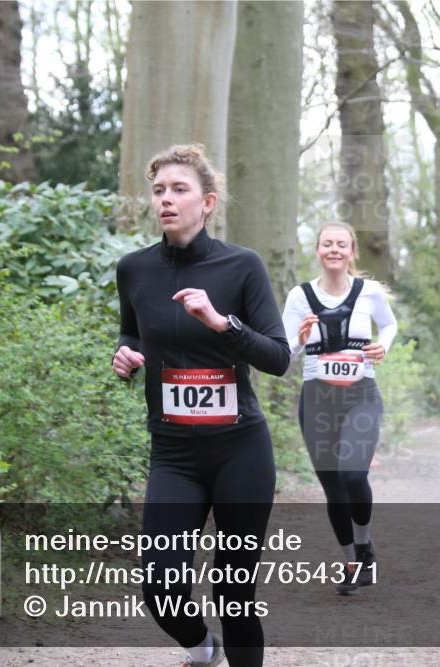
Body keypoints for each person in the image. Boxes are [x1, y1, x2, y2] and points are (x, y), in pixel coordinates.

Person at [112, 144, 289, 667]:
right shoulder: (134, 270)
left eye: (179, 189)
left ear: (207, 202)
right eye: (159, 190)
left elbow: (278, 357)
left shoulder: (242, 267)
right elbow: (131, 332)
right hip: (174, 454)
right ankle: (201, 649)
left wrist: (222, 323)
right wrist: (125, 357)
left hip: (240, 451)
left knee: (235, 595)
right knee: (160, 588)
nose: (166, 199)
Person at [281, 222, 397, 595]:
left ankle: (364, 545)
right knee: (333, 488)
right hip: (317, 397)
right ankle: (350, 560)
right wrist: (299, 340)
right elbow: (283, 353)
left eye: (341, 244)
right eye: (327, 243)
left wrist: (384, 346)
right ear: (317, 251)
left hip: (361, 393)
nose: (334, 249)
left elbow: (390, 325)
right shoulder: (299, 296)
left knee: (351, 474)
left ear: (352, 252)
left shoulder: (370, 292)